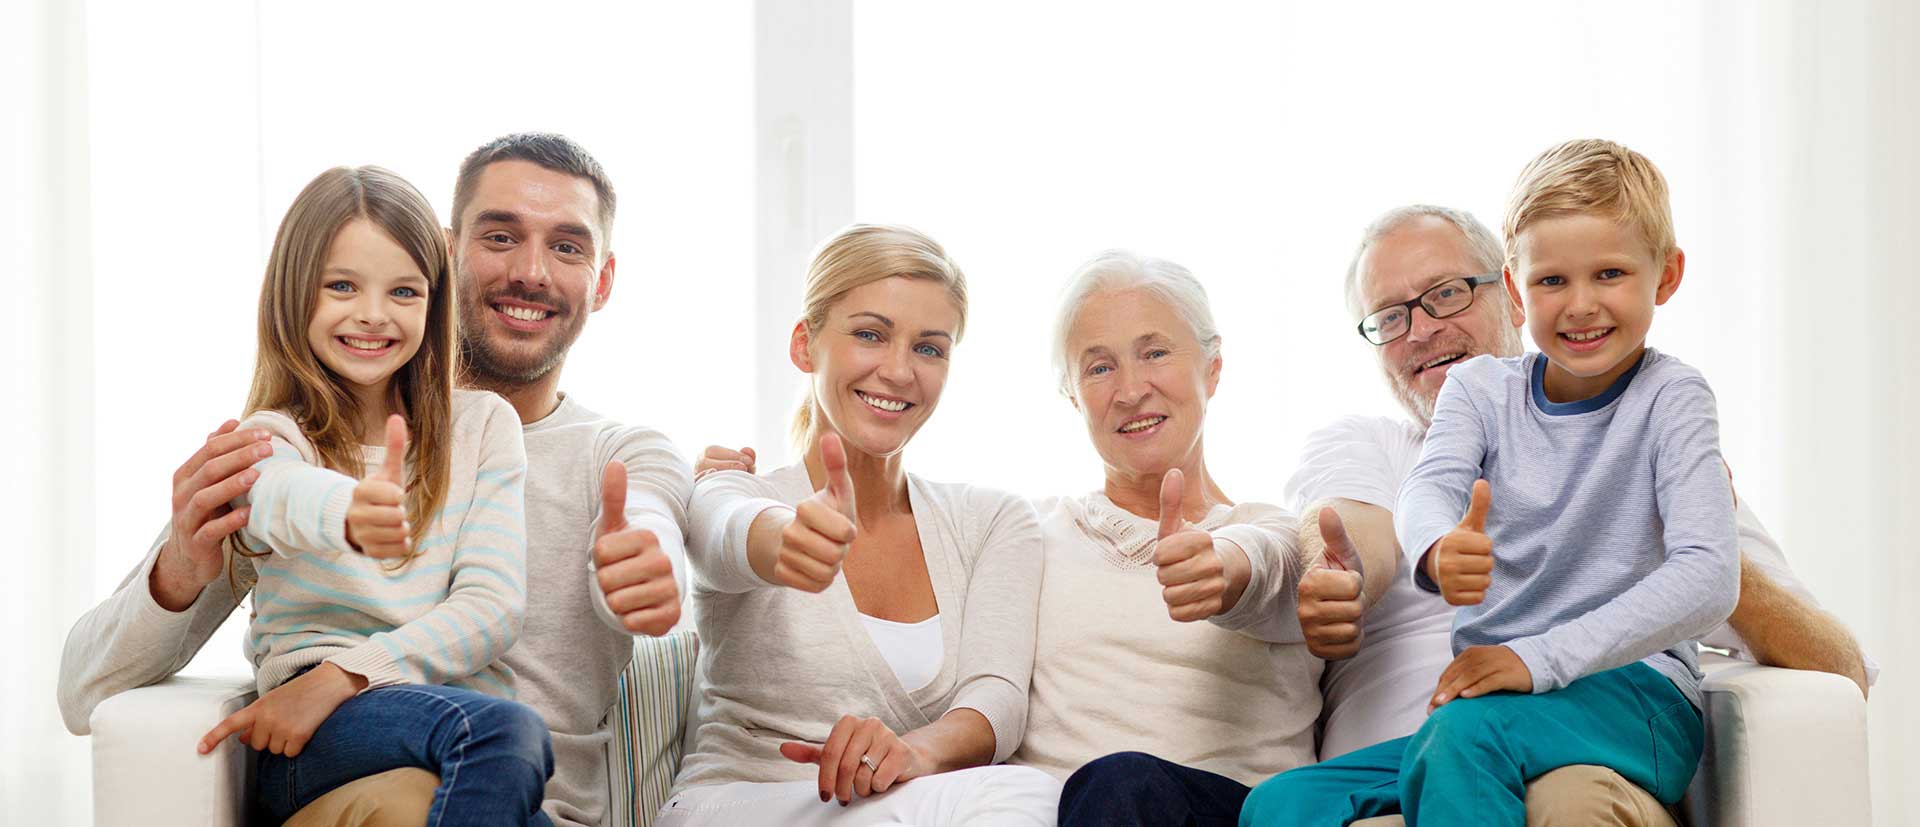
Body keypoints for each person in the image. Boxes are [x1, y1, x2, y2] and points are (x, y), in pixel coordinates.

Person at [59, 133, 694, 827]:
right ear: (450, 254)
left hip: (522, 798)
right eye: (501, 236)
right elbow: (83, 689)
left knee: (497, 748)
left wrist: (658, 564)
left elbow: (656, 524)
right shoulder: (279, 445)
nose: (532, 270)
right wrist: (185, 565)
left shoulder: (615, 456)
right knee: (440, 776)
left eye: (567, 246)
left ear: (601, 281)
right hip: (359, 779)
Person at [1280, 195, 1875, 824]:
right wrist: (1431, 547)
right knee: (1284, 800)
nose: (1422, 329)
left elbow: (1838, 668)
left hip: (1605, 709)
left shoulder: (1663, 417)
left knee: (1489, 753)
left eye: (1447, 293)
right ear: (1525, 287)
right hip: (1479, 717)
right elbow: (1404, 503)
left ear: (1504, 296)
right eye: (1390, 317)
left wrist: (1692, 529)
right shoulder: (1435, 418)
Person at [191, 164, 549, 824]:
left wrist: (346, 674)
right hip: (308, 740)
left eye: (405, 291)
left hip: (424, 717)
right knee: (509, 732)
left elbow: (493, 605)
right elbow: (280, 497)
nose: (374, 314)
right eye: (342, 286)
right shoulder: (270, 437)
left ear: (434, 302)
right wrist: (348, 512)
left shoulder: (483, 426)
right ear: (295, 295)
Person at [666, 224, 1059, 825]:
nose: (900, 371)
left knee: (1029, 793)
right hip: (740, 805)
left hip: (897, 805)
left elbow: (997, 699)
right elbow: (728, 532)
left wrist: (913, 751)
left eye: (929, 347)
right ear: (805, 345)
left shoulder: (992, 520)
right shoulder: (731, 489)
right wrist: (786, 539)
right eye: (870, 335)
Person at [1022, 251, 1321, 827]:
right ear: (1072, 396)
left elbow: (1262, 565)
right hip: (1070, 810)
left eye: (1155, 353)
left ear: (1212, 369)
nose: (1131, 390)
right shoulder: (1031, 536)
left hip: (1236, 813)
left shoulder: (1276, 529)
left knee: (1124, 782)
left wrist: (1221, 569)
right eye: (1099, 367)